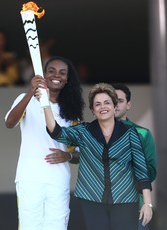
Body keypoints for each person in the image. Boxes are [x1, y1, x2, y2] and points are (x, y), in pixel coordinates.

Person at [41, 82, 153, 230]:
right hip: (91, 198)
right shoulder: (84, 131)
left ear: (114, 107)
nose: (103, 107)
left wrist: (147, 203)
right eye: (98, 104)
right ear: (93, 110)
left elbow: (141, 169)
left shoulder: (130, 133)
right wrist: (45, 103)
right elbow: (56, 132)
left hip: (125, 198)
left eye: (107, 103)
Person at [5, 56, 85, 230]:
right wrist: (30, 92)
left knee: (57, 226)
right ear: (43, 74)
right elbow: (9, 123)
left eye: (62, 73)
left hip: (58, 179)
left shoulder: (72, 112)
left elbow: (80, 154)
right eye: (51, 71)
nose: (57, 75)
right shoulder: (26, 100)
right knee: (30, 226)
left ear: (67, 79)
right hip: (30, 177)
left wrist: (67, 155)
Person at [111, 83, 157, 230]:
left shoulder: (142, 134)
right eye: (111, 100)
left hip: (134, 206)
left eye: (120, 100)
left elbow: (151, 171)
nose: (115, 104)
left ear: (128, 104)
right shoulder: (94, 134)